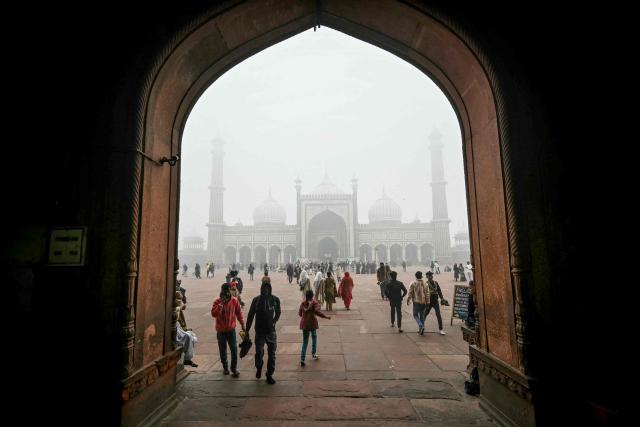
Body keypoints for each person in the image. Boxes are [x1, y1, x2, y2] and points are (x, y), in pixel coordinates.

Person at [246, 278, 281, 385]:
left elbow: (279, 312)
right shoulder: (256, 300)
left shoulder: (274, 300)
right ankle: (259, 367)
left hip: (271, 331)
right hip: (260, 332)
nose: (266, 290)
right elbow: (251, 315)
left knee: (272, 355)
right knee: (259, 353)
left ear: (270, 289)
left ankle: (269, 374)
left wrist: (274, 321)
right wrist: (247, 330)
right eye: (264, 288)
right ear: (261, 289)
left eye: (268, 288)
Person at [211, 283, 245, 377]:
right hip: (221, 331)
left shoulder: (234, 301)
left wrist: (242, 324)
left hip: (231, 330)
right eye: (225, 290)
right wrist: (221, 304)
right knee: (223, 351)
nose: (227, 292)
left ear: (230, 291)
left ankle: (233, 368)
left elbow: (239, 313)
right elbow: (213, 314)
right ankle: (225, 367)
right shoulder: (217, 302)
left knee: (234, 350)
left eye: (228, 290)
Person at [299, 290, 331, 366]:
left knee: (305, 341)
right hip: (312, 324)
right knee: (314, 338)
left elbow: (300, 314)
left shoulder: (303, 304)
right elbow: (317, 312)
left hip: (304, 325)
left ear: (306, 296)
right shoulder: (314, 303)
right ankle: (313, 354)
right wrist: (325, 317)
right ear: (312, 296)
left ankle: (302, 359)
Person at [175, 293, 199, 367]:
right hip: (174, 328)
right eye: (179, 299)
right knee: (188, 337)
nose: (180, 301)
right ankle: (187, 359)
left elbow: (183, 306)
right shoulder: (175, 307)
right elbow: (180, 307)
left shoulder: (177, 305)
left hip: (178, 326)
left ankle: (187, 358)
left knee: (191, 335)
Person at [424, 271, 447, 335]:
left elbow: (439, 290)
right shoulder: (426, 284)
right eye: (429, 275)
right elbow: (424, 293)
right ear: (427, 277)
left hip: (435, 301)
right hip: (429, 301)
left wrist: (442, 298)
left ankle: (441, 329)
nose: (431, 276)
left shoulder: (436, 283)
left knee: (438, 315)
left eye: (431, 275)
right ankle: (421, 326)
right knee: (425, 313)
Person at [407, 271, 430, 335]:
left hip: (416, 302)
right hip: (423, 302)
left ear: (415, 276)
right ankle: (421, 330)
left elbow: (410, 293)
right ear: (421, 276)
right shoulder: (425, 283)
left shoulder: (413, 283)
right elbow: (428, 294)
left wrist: (408, 300)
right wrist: (428, 302)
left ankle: (420, 325)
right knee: (421, 316)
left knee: (415, 315)